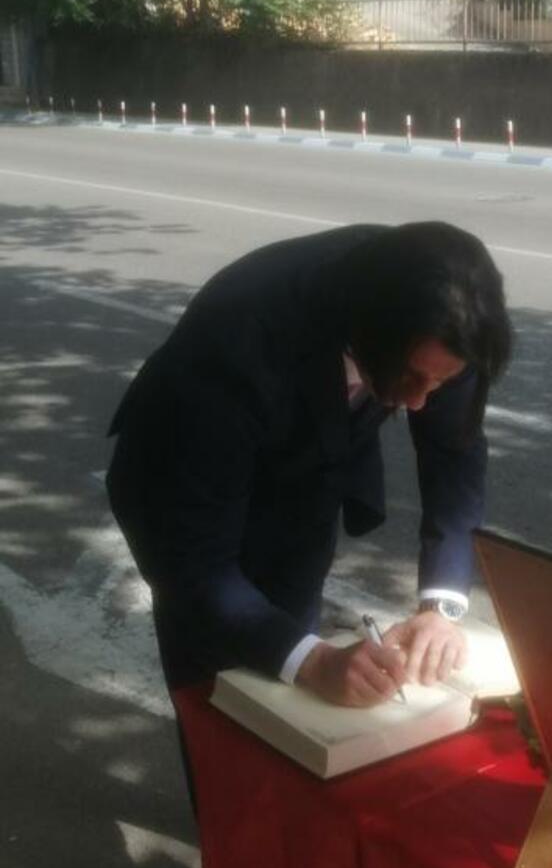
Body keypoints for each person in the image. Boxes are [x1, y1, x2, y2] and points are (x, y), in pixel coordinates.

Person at [106, 222, 512, 709]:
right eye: (409, 378)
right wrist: (313, 662)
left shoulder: (451, 326)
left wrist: (439, 608)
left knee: (293, 665)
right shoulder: (237, 343)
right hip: (180, 479)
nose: (420, 402)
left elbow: (454, 451)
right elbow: (193, 562)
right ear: (371, 331)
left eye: (440, 383)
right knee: (217, 681)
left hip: (308, 470)